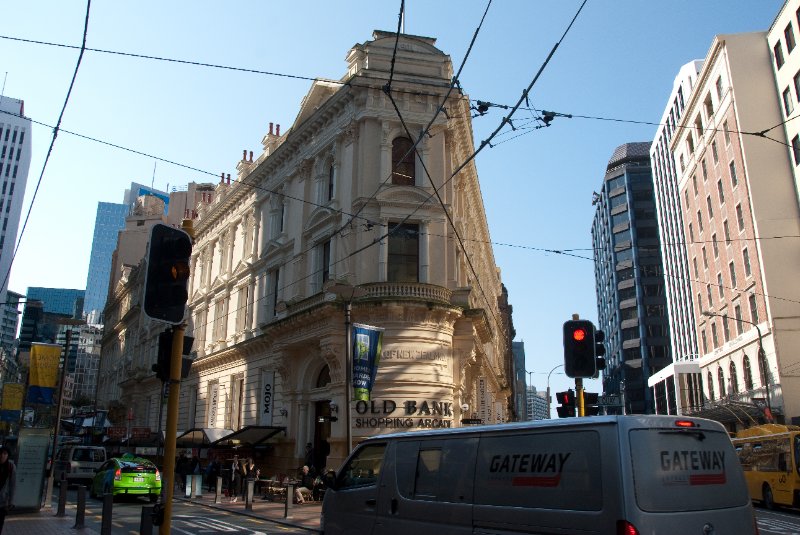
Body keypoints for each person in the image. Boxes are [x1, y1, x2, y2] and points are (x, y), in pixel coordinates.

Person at [0, 446, 16, 533]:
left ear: (8, 455)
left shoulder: (11, 466)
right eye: (1, 453)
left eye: (5, 453)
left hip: (3, 502)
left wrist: (11, 501)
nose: (2, 455)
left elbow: (12, 485)